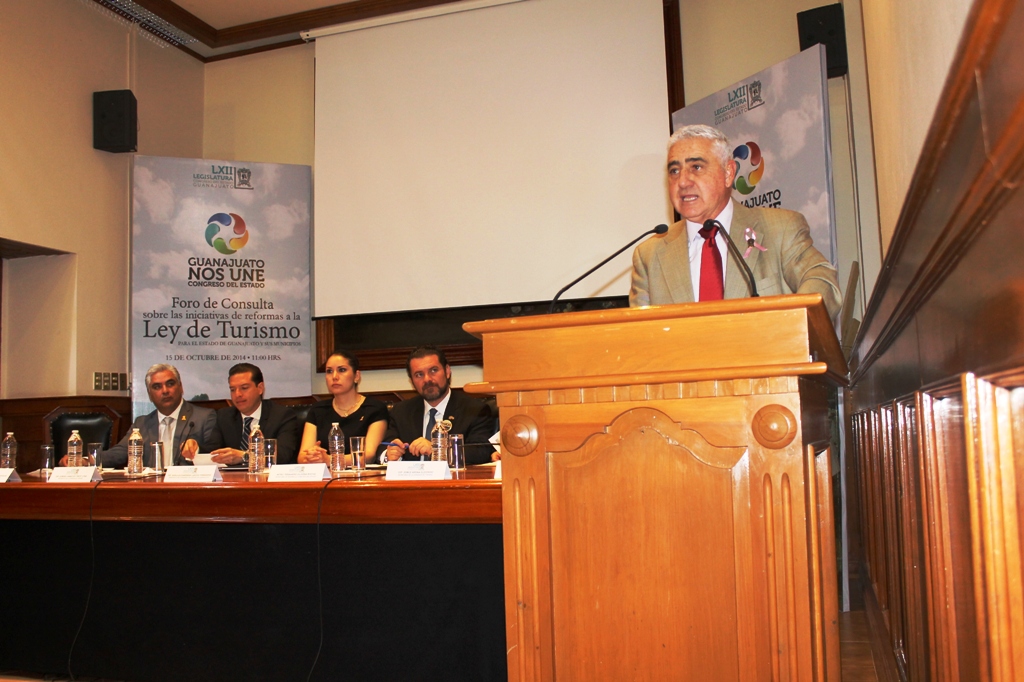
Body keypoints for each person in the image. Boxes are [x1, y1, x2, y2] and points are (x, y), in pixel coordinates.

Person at [629, 124, 841, 319]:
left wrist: (790, 328)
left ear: (728, 173)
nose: (682, 181)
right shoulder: (650, 256)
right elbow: (639, 335)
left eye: (696, 167)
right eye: (674, 171)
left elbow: (823, 281)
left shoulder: (780, 229)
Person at [384, 346, 496, 465]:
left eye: (433, 370)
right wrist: (388, 454)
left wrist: (438, 451)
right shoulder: (401, 411)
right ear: (412, 381)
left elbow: (481, 451)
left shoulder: (473, 410)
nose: (427, 379)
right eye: (419, 374)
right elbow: (384, 446)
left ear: (447, 372)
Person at [95, 364, 218, 468]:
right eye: (157, 387)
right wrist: (88, 460)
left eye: (170, 384)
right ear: (150, 394)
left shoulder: (204, 417)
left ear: (181, 387)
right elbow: (119, 453)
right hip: (151, 485)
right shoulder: (141, 423)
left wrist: (196, 450)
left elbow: (213, 453)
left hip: (188, 485)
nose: (165, 391)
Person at [298, 350, 388, 465]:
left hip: (360, 474)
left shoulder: (374, 408)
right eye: (329, 371)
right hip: (325, 474)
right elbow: (302, 456)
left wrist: (330, 460)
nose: (334, 376)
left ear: (356, 376)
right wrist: (312, 456)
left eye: (342, 370)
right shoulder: (317, 410)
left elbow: (369, 456)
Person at [208, 363, 302, 466]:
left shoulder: (282, 416)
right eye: (232, 390)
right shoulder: (224, 416)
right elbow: (211, 451)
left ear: (260, 388)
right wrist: (196, 448)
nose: (237, 394)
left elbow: (282, 455)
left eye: (244, 388)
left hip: (267, 475)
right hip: (231, 476)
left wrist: (245, 456)